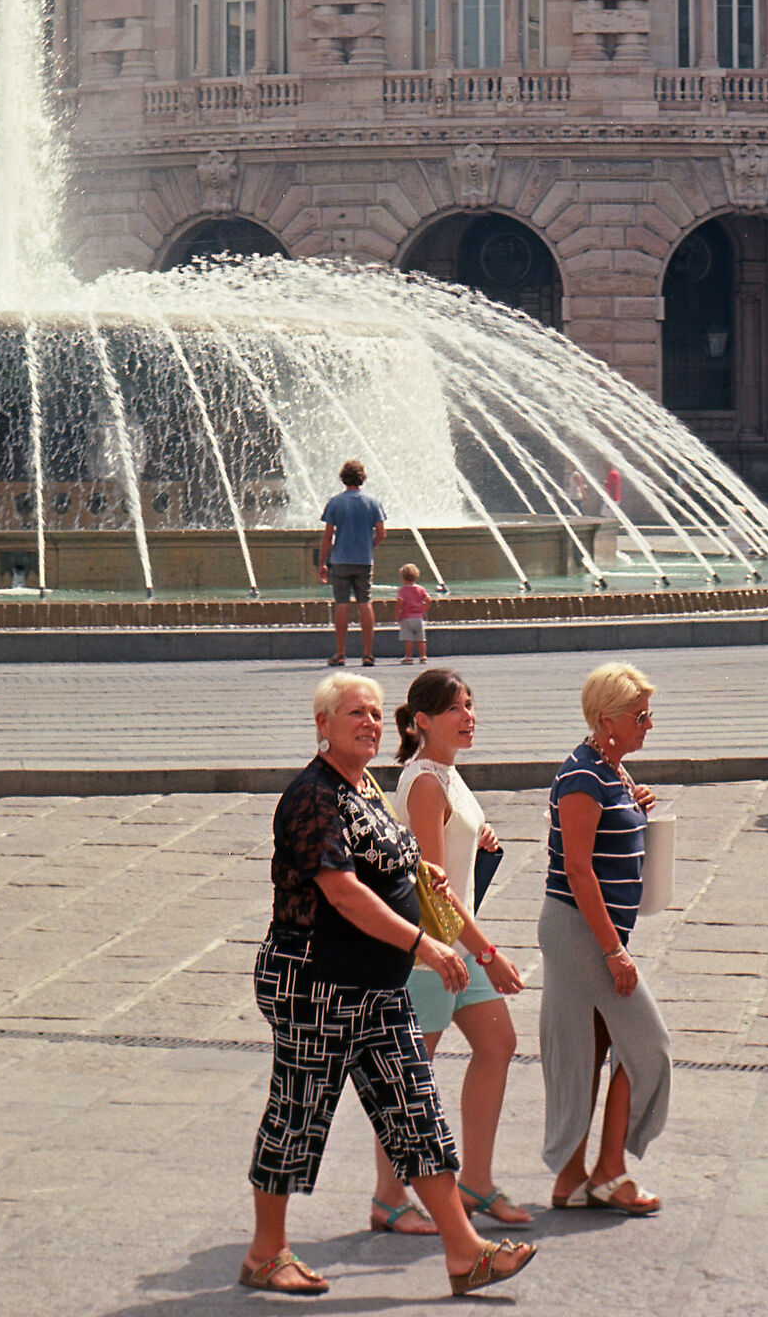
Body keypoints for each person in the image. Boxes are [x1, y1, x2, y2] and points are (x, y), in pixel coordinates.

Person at [243, 672, 537, 1299]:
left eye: (376, 715)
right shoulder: (312, 796)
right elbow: (342, 891)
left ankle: (465, 1253)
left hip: (373, 987)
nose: (369, 724)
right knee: (297, 1114)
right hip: (315, 980)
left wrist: (423, 866)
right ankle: (266, 1253)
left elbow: (393, 858)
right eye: (355, 714)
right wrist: (425, 942)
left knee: (415, 1111)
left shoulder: (366, 787)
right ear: (323, 724)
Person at [367, 669, 530, 1237]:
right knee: (414, 1071)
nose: (469, 715)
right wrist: (490, 955)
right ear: (422, 722)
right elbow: (434, 890)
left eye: (471, 703)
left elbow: (446, 850)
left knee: (498, 1044)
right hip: (431, 953)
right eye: (457, 708)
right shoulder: (426, 782)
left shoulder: (446, 776)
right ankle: (388, 1198)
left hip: (455, 943)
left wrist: (477, 837)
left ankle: (476, 1181)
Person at [541, 662, 669, 1217]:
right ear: (606, 720)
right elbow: (577, 869)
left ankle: (575, 1180)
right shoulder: (583, 776)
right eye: (639, 715)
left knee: (588, 1050)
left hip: (595, 931)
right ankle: (609, 1172)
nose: (649, 724)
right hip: (579, 932)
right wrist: (614, 951)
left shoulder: (608, 770)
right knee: (646, 1047)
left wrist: (632, 806)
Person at [318, 458, 389, 669]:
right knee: (365, 602)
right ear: (362, 479)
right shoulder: (372, 502)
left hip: (340, 560)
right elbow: (382, 533)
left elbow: (327, 536)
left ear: (343, 479)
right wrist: (369, 545)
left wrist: (323, 563)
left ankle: (340, 654)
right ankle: (367, 654)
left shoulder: (335, 502)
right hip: (364, 561)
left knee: (341, 605)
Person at [395, 565, 431, 665]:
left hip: (406, 618)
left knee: (408, 639)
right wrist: (423, 609)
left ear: (402, 578)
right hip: (419, 618)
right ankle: (423, 657)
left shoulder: (403, 590)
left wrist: (397, 614)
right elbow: (428, 599)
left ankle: (409, 657)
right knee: (421, 639)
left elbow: (400, 602)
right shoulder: (420, 589)